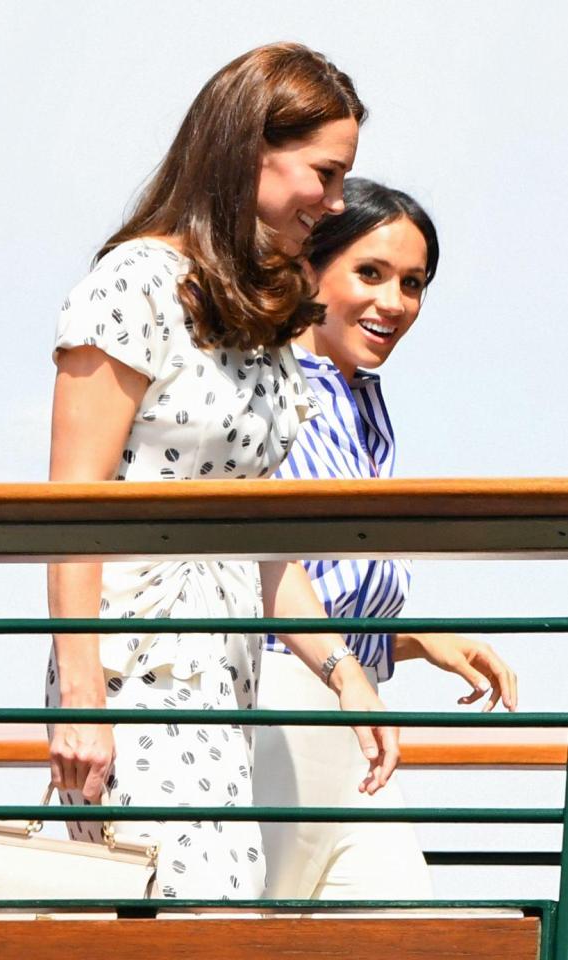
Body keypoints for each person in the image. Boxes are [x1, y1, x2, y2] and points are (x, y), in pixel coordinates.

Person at [45, 45, 401, 905]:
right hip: (138, 664)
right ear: (250, 151)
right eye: (323, 172)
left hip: (223, 675)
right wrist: (81, 696)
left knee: (208, 908)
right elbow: (67, 506)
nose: (336, 201)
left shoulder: (263, 305)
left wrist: (343, 671)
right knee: (191, 905)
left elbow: (260, 539)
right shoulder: (132, 284)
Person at [253, 178, 518, 902]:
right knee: (249, 931)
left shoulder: (362, 400)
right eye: (369, 273)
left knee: (413, 929)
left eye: (412, 283)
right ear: (309, 269)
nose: (394, 302)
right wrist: (347, 669)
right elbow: (254, 568)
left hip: (351, 714)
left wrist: (412, 638)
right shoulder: (267, 386)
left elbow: (321, 577)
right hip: (274, 703)